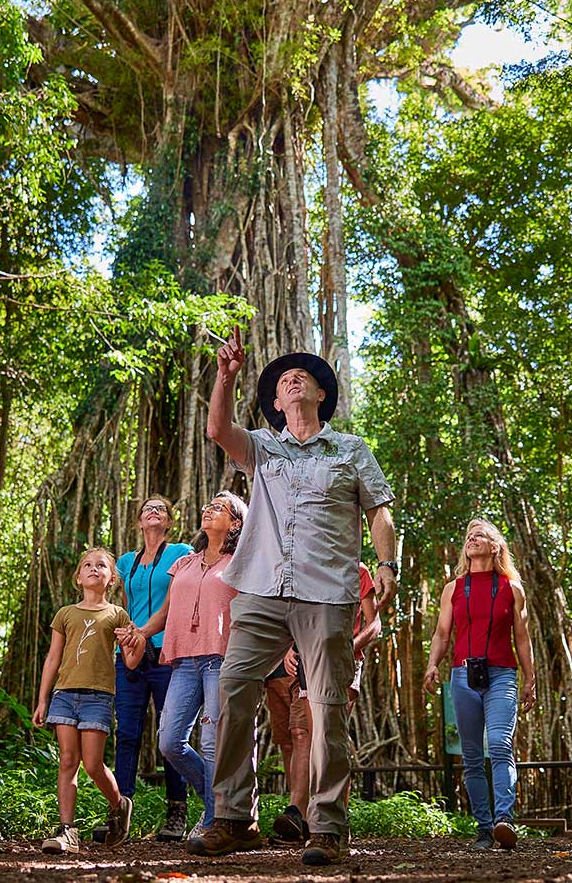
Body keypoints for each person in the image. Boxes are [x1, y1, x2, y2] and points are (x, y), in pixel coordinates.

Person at [189, 328, 399, 867]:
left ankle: (326, 826)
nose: (292, 378)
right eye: (283, 381)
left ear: (321, 395)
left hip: (326, 592)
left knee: (327, 709)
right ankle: (234, 818)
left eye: (302, 376)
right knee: (235, 689)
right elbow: (217, 428)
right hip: (260, 587)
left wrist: (386, 563)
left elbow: (378, 510)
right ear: (276, 403)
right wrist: (227, 375)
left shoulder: (351, 450)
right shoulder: (262, 447)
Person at [121, 491, 247, 837]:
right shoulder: (185, 562)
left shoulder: (241, 562)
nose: (209, 510)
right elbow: (165, 613)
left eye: (219, 508)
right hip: (185, 661)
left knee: (211, 741)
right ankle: (223, 807)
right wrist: (141, 634)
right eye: (209, 506)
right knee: (170, 741)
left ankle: (214, 822)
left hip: (222, 659)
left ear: (235, 523)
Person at [422, 520, 537, 851]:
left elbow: (522, 637)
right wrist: (432, 665)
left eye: (480, 536)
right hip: (463, 676)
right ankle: (484, 829)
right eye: (469, 536)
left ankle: (505, 821)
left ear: (495, 546)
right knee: (472, 755)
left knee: (500, 745)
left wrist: (530, 677)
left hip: (502, 674)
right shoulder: (453, 588)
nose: (472, 540)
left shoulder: (511, 588)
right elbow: (442, 634)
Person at [33, 548, 146, 854]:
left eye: (101, 566)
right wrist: (43, 699)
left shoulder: (117, 614)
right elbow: (53, 657)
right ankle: (68, 831)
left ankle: (119, 804)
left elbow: (132, 662)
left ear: (111, 579)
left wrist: (133, 642)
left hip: (98, 696)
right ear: (78, 577)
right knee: (68, 761)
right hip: (65, 694)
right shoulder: (65, 614)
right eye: (87, 565)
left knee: (93, 764)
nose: (93, 569)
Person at [269, 561, 381, 845]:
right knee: (305, 734)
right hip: (307, 660)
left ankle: (336, 823)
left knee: (331, 736)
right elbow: (293, 617)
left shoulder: (358, 571)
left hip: (344, 660)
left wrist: (348, 647)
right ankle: (303, 820)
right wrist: (288, 650)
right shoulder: (307, 564)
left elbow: (374, 624)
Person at [112, 495, 194, 841]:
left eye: (160, 508)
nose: (153, 511)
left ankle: (177, 811)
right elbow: (119, 602)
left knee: (169, 735)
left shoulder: (180, 553)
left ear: (169, 521)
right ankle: (119, 810)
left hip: (165, 653)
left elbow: (177, 601)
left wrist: (143, 634)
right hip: (131, 653)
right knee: (127, 732)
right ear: (138, 522)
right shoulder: (126, 562)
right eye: (147, 509)